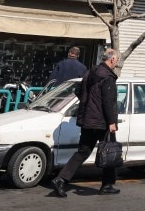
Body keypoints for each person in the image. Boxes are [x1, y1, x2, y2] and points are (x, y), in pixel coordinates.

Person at [52, 48, 120, 197]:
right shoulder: (107, 77)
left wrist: (87, 103)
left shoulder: (90, 72)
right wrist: (112, 122)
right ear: (112, 60)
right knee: (109, 150)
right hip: (101, 121)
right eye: (117, 59)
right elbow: (109, 103)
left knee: (83, 151)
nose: (117, 62)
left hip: (87, 119)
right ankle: (107, 185)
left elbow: (78, 91)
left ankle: (61, 180)